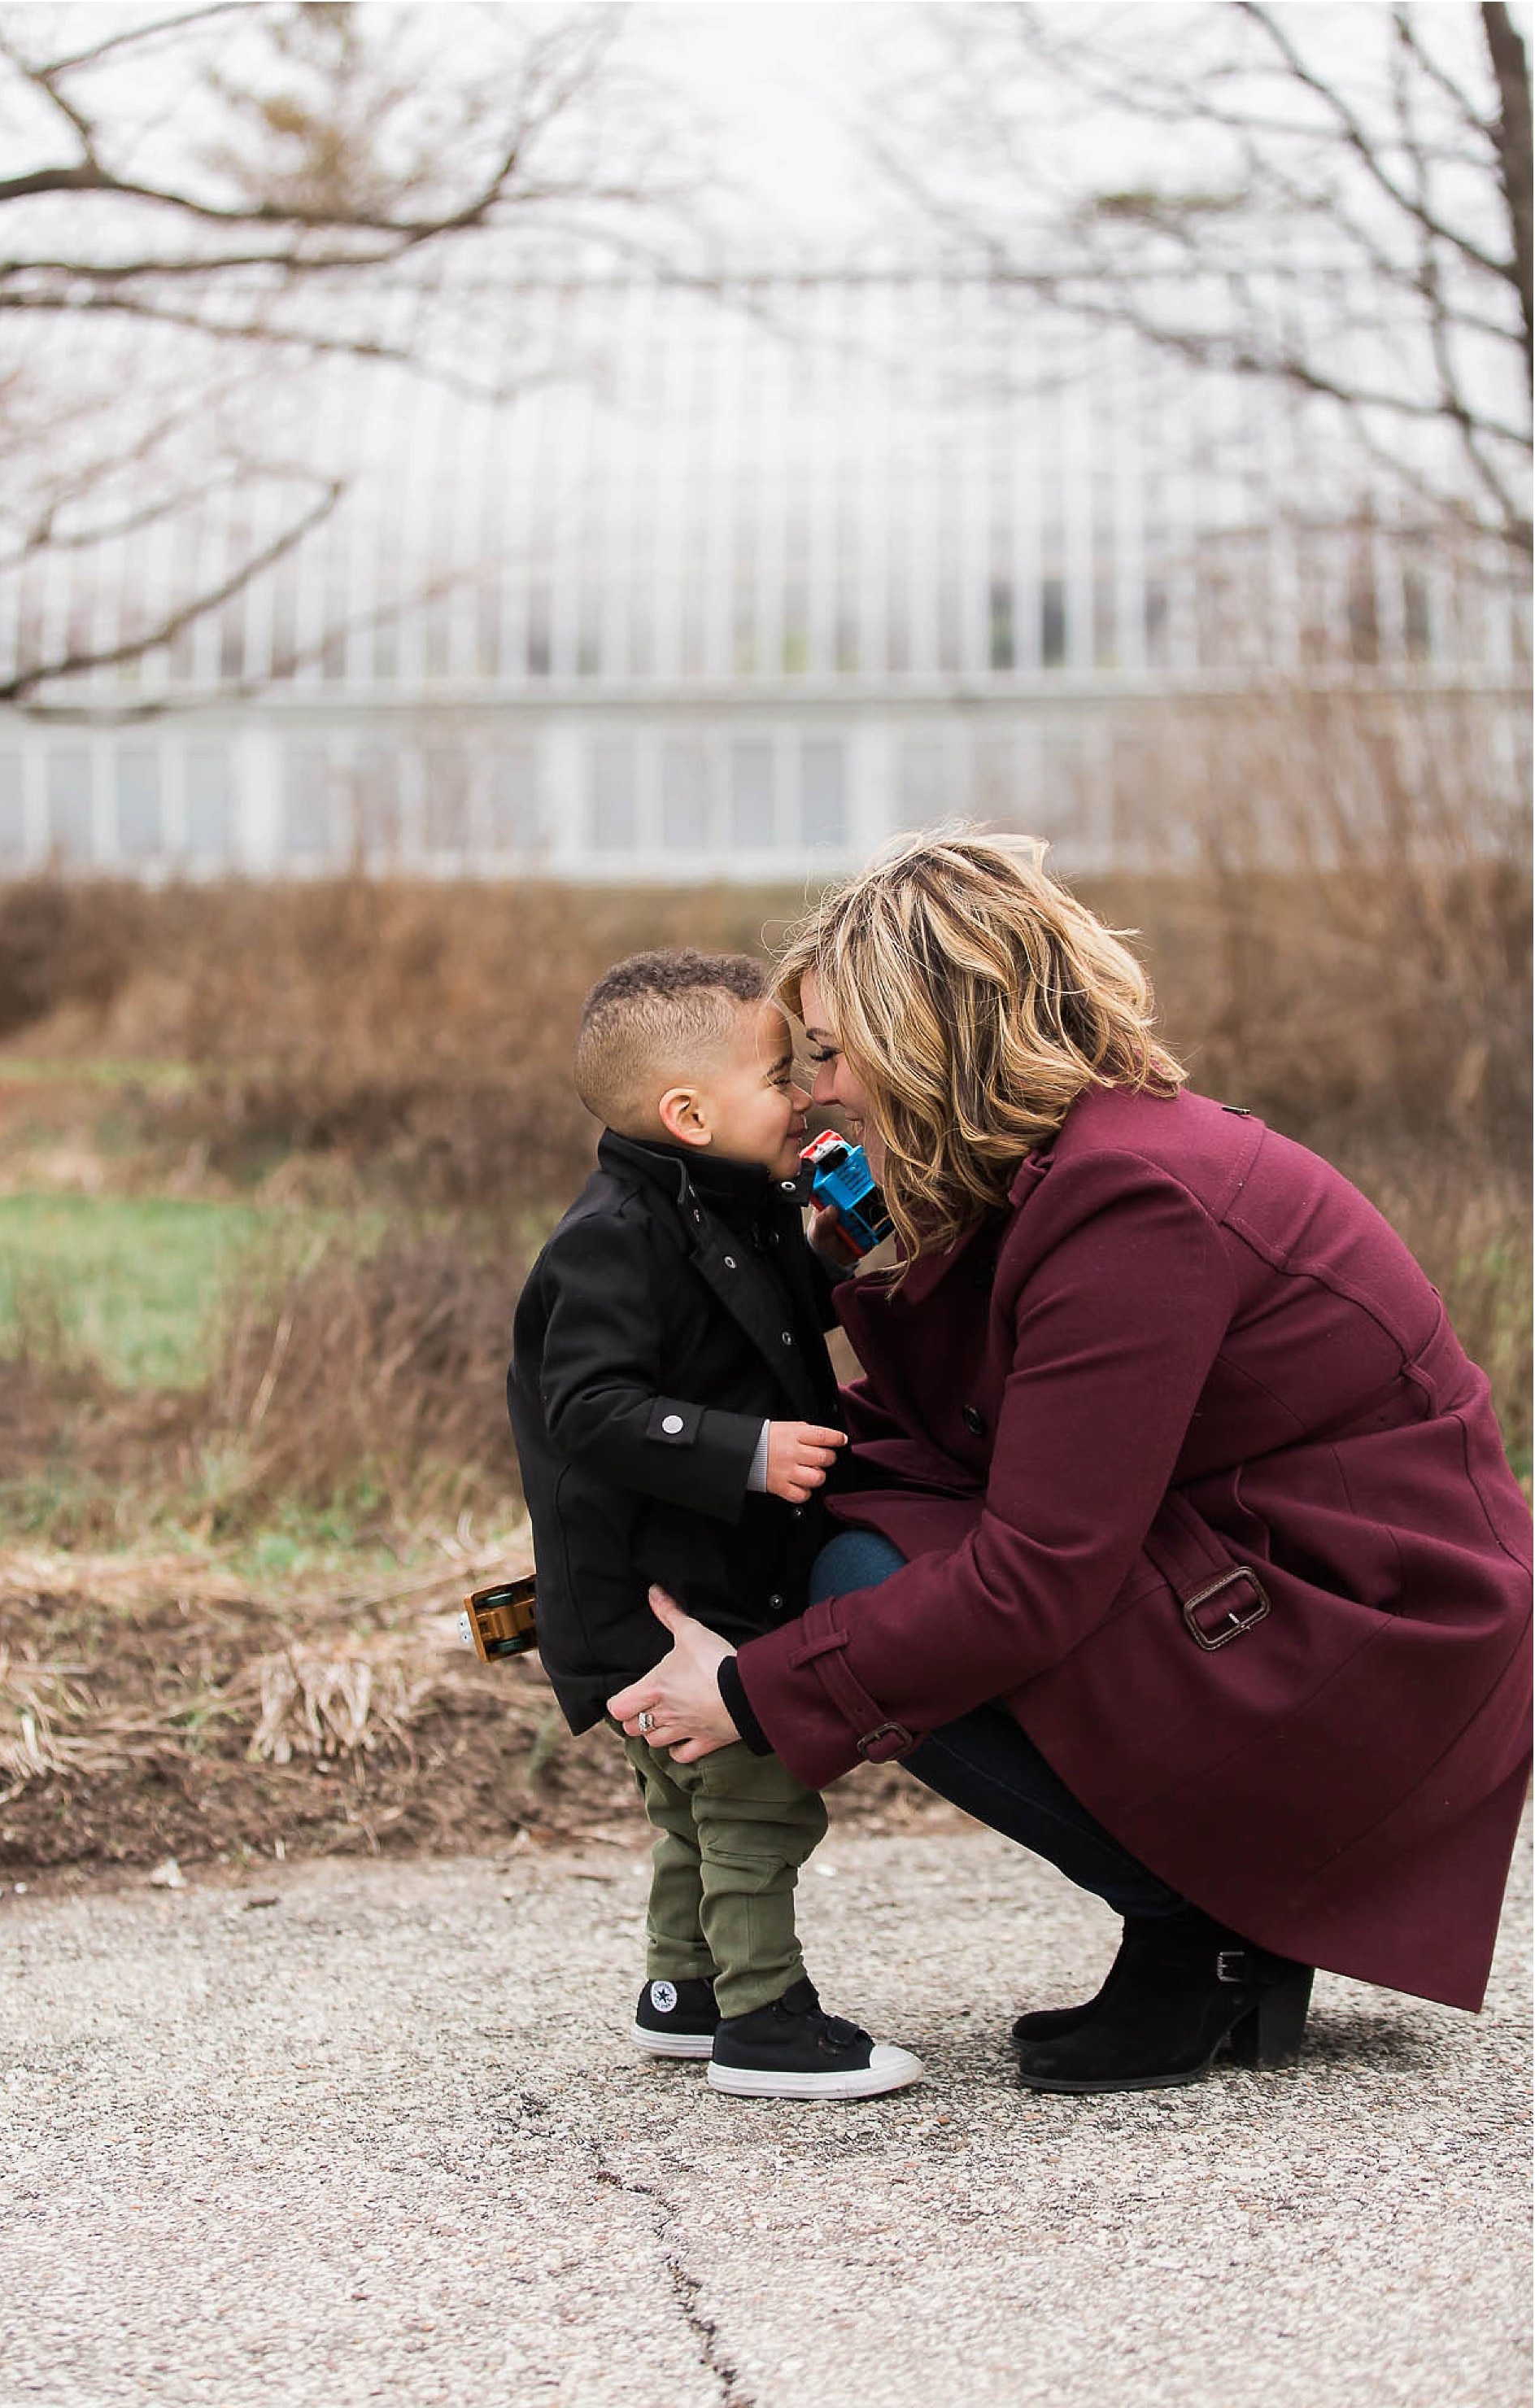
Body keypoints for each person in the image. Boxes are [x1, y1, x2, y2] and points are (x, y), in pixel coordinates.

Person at [610, 831, 1533, 2096]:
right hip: (1279, 1573)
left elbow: (1035, 1571)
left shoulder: (1132, 1201)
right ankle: (1206, 1911)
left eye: (829, 1051)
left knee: (861, 1583)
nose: (815, 1088)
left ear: (926, 1032)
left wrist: (760, 1690)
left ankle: (1207, 1929)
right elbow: (966, 1425)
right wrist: (685, 1499)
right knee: (845, 1533)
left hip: (1375, 1646)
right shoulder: (1063, 1163)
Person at [507, 949, 922, 2100]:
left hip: (687, 1571)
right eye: (782, 1075)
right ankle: (765, 2019)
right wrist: (748, 1450)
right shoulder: (610, 1238)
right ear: (688, 1113)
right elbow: (587, 1407)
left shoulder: (720, 1197)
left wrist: (842, 1235)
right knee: (754, 1789)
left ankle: (681, 1991)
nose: (805, 1095)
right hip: (663, 1592)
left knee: (689, 1807)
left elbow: (761, 1305)